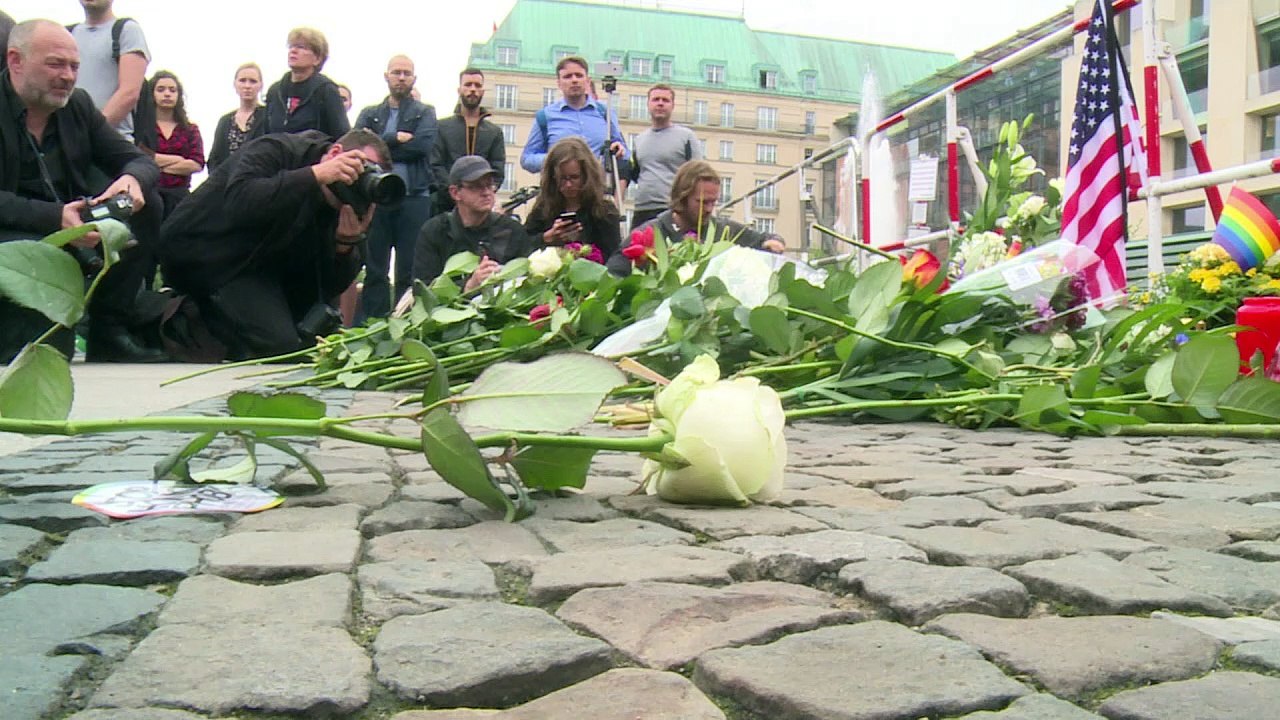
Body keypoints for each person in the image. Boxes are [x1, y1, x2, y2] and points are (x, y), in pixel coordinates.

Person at [1, 20, 164, 363]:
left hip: (72, 232)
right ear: (15, 60)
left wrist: (131, 180)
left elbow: (138, 160)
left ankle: (109, 330)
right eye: (55, 64)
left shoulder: (78, 106)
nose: (69, 77)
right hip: (14, 239)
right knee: (43, 353)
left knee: (146, 206)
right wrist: (55, 217)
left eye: (75, 66)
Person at [157, 129, 386, 360]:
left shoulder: (352, 202)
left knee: (306, 339)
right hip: (203, 253)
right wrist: (315, 175)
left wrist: (345, 245)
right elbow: (241, 201)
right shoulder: (277, 149)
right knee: (279, 344)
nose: (361, 180)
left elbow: (327, 288)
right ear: (336, 153)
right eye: (361, 168)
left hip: (257, 267)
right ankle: (176, 315)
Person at [353, 55, 437, 319]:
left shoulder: (425, 112)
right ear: (386, 76)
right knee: (375, 269)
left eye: (407, 73)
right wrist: (393, 138)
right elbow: (358, 147)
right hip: (376, 199)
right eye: (396, 72)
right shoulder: (369, 113)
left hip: (414, 197)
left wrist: (380, 147)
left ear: (414, 79)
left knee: (408, 271)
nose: (401, 77)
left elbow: (422, 147)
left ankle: (405, 324)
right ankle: (373, 326)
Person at [607, 160, 785, 276]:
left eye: (713, 202)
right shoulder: (652, 232)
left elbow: (764, 239)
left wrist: (773, 242)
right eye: (702, 202)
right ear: (681, 197)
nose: (709, 209)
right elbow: (614, 272)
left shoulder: (723, 230)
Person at [413, 156, 529, 290]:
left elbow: (525, 280)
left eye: (490, 185)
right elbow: (422, 290)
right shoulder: (435, 231)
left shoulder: (512, 230)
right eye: (477, 187)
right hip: (449, 309)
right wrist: (468, 286)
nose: (486, 192)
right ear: (455, 193)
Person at [520, 56, 626, 175]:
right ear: (559, 83)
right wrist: (556, 159)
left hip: (595, 189)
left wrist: (619, 149)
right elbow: (526, 159)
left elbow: (624, 151)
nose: (574, 80)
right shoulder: (545, 116)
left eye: (579, 75)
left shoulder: (605, 113)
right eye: (567, 76)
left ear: (587, 81)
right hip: (558, 189)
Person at [523, 137, 621, 260]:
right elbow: (522, 246)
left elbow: (614, 257)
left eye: (574, 177)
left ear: (586, 176)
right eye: (563, 178)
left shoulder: (604, 211)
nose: (568, 184)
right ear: (553, 177)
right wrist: (547, 238)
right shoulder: (543, 208)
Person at [68, 0, 150, 144]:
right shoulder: (67, 34)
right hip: (69, 143)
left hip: (110, 144)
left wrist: (88, 134)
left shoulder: (127, 30)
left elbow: (129, 93)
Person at [430, 67, 504, 216]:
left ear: (483, 91)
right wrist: (457, 193)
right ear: (459, 90)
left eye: (477, 85)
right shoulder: (441, 127)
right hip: (445, 206)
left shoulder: (494, 132)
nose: (472, 89)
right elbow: (435, 165)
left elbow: (497, 170)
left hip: (480, 208)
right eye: (468, 85)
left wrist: (480, 193)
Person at [628, 84, 702, 229]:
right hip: (642, 209)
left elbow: (698, 174)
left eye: (665, 100)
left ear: (673, 105)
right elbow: (636, 173)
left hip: (672, 209)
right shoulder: (639, 140)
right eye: (656, 99)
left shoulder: (686, 137)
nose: (660, 103)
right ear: (648, 104)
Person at [264, 27, 349, 139]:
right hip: (277, 155)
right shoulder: (275, 91)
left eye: (301, 47)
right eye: (291, 46)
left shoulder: (326, 90)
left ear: (317, 58)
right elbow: (265, 133)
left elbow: (341, 135)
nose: (293, 51)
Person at [149, 70, 203, 220]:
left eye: (172, 90)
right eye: (161, 89)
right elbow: (141, 157)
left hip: (180, 199)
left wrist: (157, 164)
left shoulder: (190, 129)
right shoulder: (144, 128)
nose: (167, 94)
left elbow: (197, 164)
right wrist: (179, 159)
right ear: (152, 94)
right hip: (149, 196)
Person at [208, 62, 266, 173]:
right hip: (228, 184)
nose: (247, 86)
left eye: (253, 81)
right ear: (235, 84)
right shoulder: (225, 121)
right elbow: (215, 158)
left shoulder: (268, 116)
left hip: (259, 181)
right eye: (242, 80)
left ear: (260, 85)